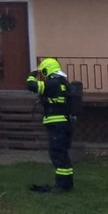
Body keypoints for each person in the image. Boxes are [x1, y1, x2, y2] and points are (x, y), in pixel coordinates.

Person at [26, 57, 74, 193]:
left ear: (47, 70)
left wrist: (33, 74)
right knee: (62, 154)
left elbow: (31, 86)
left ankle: (62, 186)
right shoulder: (63, 83)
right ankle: (66, 183)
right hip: (64, 123)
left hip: (56, 124)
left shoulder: (53, 84)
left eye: (43, 73)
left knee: (57, 154)